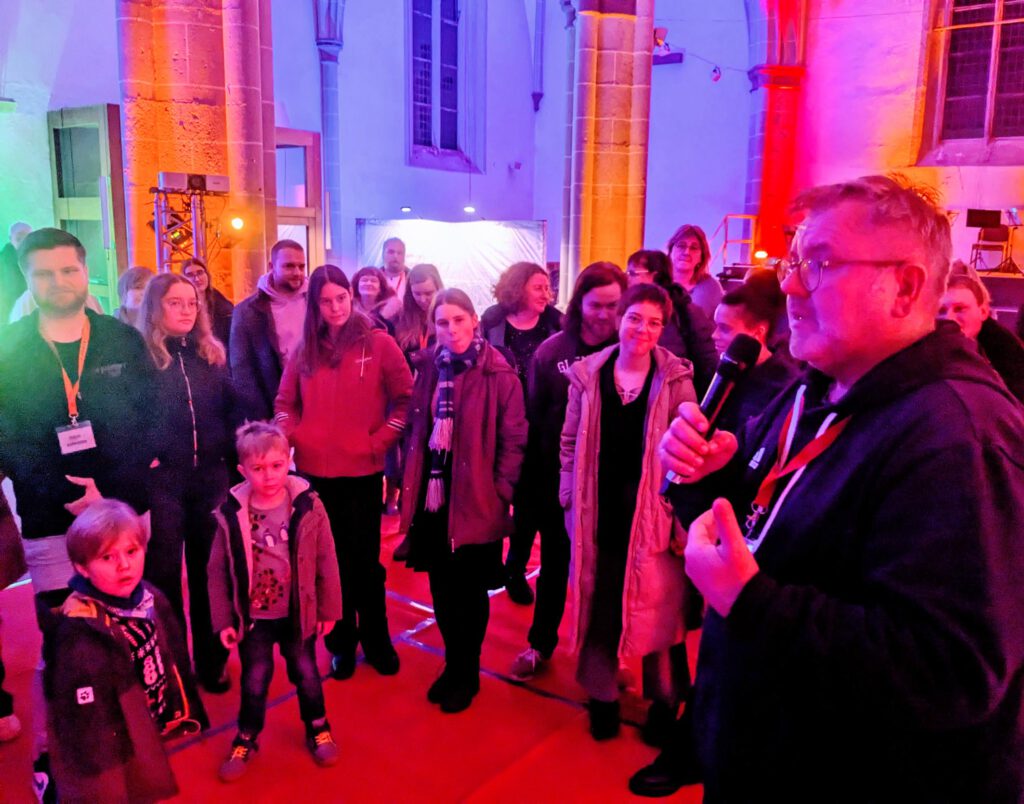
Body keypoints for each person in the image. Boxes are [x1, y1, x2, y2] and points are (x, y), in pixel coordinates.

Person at [657, 175, 1024, 801]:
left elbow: (952, 673)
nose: (792, 285)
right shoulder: (819, 386)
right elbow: (771, 529)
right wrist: (710, 478)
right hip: (764, 747)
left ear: (905, 287)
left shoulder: (958, 437)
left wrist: (750, 603)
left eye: (819, 264)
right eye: (796, 261)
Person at [559, 283, 696, 743]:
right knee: (600, 601)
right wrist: (566, 497)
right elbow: (568, 442)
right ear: (620, 318)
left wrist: (678, 515)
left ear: (663, 330)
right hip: (596, 512)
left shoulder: (676, 380)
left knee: (660, 610)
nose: (643, 329)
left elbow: (687, 454)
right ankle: (602, 697)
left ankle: (664, 702)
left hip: (653, 512)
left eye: (654, 322)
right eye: (635, 317)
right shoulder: (588, 376)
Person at [275, 265, 413, 680]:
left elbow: (405, 400)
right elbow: (285, 402)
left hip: (363, 473)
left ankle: (376, 639)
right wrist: (295, 437)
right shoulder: (305, 350)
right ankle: (341, 643)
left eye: (341, 298)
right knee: (327, 565)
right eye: (326, 301)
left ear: (351, 297)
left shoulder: (379, 344)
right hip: (316, 475)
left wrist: (379, 442)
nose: (335, 307)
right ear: (314, 306)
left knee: (365, 563)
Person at [399, 289, 527, 712]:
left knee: (469, 592)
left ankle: (466, 671)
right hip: (436, 498)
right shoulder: (430, 370)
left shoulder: (499, 375)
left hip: (476, 499)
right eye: (442, 322)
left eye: (458, 319)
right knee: (442, 586)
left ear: (474, 321)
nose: (450, 329)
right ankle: (454, 664)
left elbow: (514, 440)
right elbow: (418, 429)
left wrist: (500, 491)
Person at [40, 499, 207, 802]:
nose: (124, 565)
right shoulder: (80, 633)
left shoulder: (150, 597)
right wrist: (100, 765)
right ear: (83, 568)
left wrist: (180, 705)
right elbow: (84, 718)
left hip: (145, 718)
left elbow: (171, 654)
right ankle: (48, 778)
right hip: (112, 736)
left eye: (131, 552)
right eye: (107, 557)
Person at [509, 262, 626, 681]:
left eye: (614, 305)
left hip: (614, 483)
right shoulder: (552, 351)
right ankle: (541, 643)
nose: (605, 314)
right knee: (555, 566)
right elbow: (534, 418)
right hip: (557, 480)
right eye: (596, 304)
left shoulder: (633, 351)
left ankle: (604, 654)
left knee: (609, 574)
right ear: (580, 303)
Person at [208, 422, 342, 781]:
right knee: (255, 677)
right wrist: (223, 620)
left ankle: (317, 725)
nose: (268, 476)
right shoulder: (230, 514)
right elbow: (216, 571)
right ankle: (247, 735)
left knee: (306, 672)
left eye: (276, 466)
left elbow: (327, 558)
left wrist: (329, 609)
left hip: (298, 612)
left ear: (289, 461)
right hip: (254, 618)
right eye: (258, 468)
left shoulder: (308, 506)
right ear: (243, 471)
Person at [137, 272, 239, 692]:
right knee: (163, 576)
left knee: (210, 572)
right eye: (174, 302)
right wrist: (145, 460)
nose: (184, 310)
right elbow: (126, 420)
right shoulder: (140, 360)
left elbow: (231, 410)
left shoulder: (210, 354)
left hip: (210, 477)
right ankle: (172, 668)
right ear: (155, 308)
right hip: (163, 481)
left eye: (191, 303)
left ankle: (212, 660)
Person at [480, 261, 563, 604]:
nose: (547, 293)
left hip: (545, 426)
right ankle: (495, 565)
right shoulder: (492, 320)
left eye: (547, 288)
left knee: (533, 504)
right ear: (518, 288)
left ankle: (516, 567)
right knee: (497, 495)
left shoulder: (557, 323)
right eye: (539, 287)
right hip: (501, 422)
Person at [380, 262, 444, 534]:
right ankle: (408, 525)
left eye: (429, 292)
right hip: (406, 398)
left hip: (438, 398)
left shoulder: (445, 315)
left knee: (432, 463)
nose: (423, 299)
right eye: (417, 293)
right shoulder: (401, 319)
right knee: (406, 460)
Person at [709, 273, 800, 434]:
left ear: (758, 332)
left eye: (724, 328)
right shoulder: (726, 371)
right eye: (716, 326)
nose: (714, 335)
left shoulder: (784, 388)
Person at [230, 239, 307, 421]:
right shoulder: (247, 311)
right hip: (273, 405)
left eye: (301, 266)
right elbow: (241, 371)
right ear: (272, 266)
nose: (297, 273)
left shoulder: (316, 301)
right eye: (289, 266)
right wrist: (261, 416)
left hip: (316, 401)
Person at [627, 249, 718, 394]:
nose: (628, 280)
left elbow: (708, 363)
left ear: (654, 276)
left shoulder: (685, 312)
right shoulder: (630, 311)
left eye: (633, 274)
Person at [938, 268, 1024, 402]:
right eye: (941, 310)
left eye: (960, 309)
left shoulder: (1003, 349)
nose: (949, 318)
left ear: (983, 312)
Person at [666, 224, 722, 317]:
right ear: (671, 250)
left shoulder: (711, 288)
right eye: (681, 246)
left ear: (702, 256)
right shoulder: (656, 282)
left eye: (694, 248)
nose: (686, 252)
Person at [182, 257, 234, 352]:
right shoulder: (182, 307)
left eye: (200, 272)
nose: (197, 279)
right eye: (190, 275)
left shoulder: (222, 303)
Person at [0, 221, 31, 322]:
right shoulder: (3, 262)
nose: (24, 242)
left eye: (28, 238)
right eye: (19, 238)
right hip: (9, 317)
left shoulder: (36, 258)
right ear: (11, 239)